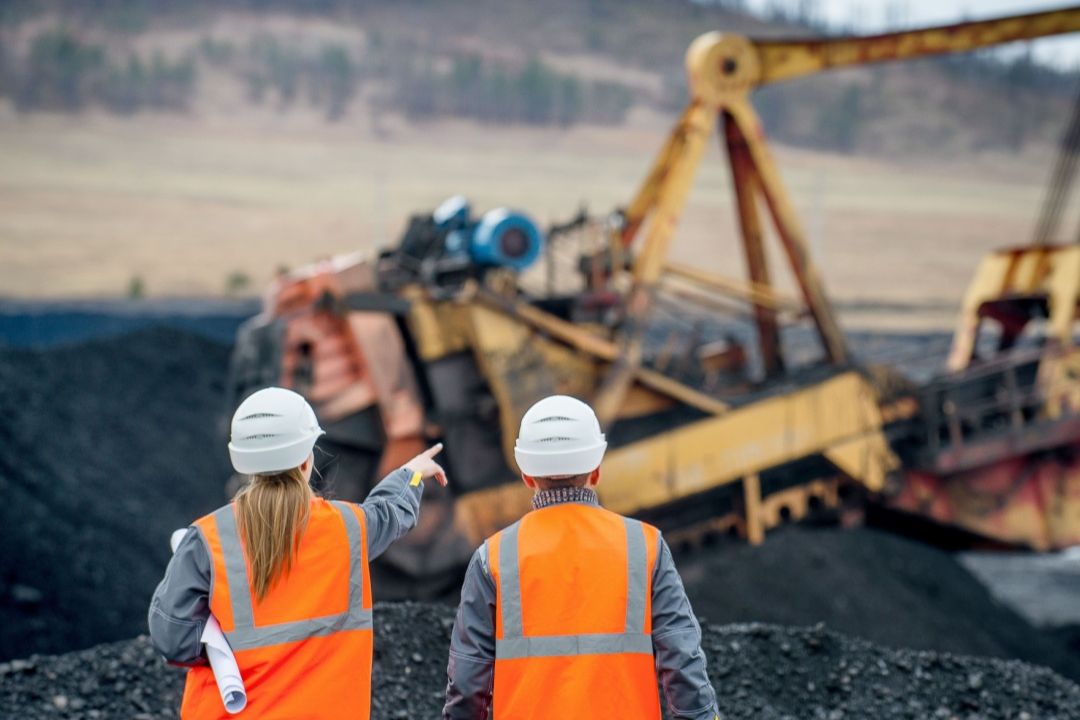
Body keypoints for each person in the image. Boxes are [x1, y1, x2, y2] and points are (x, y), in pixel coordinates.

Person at [148, 386, 447, 719]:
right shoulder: (348, 528)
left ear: (244, 462)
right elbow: (391, 512)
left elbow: (172, 640)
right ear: (307, 460)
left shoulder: (207, 539)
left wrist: (223, 645)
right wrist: (413, 473)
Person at [442, 395, 719, 719]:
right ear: (597, 470)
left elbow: (466, 683)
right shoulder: (644, 546)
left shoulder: (493, 558)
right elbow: (683, 662)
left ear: (527, 476)